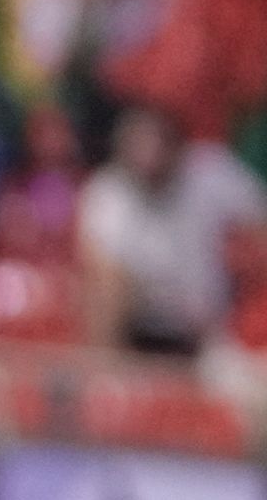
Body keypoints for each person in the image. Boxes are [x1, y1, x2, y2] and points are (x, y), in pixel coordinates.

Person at [80, 100, 266, 356]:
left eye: (159, 144)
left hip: (213, 329)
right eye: (139, 144)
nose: (149, 156)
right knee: (103, 289)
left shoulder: (213, 173)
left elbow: (260, 226)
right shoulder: (108, 194)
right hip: (140, 328)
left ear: (180, 146)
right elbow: (107, 281)